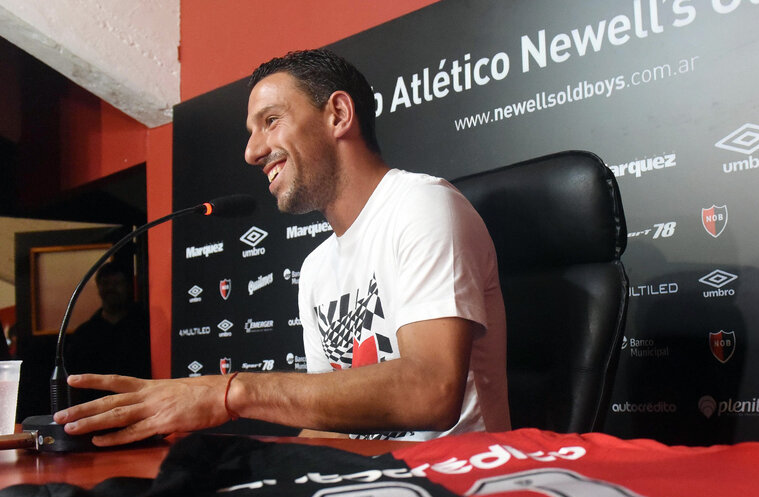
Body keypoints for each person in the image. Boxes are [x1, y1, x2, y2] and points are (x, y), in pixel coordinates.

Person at [55, 48, 510, 446]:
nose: (252, 152)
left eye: (270, 121)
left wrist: (229, 393)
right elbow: (333, 424)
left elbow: (430, 390)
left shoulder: (422, 205)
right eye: (251, 132)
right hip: (365, 490)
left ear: (338, 115)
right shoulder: (315, 268)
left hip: (460, 492)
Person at [66, 261, 152, 404]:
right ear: (98, 287)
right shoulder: (84, 335)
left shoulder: (145, 327)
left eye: (117, 283)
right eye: (106, 283)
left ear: (129, 286)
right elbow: (73, 381)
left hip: (141, 405)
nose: (111, 288)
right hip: (94, 412)